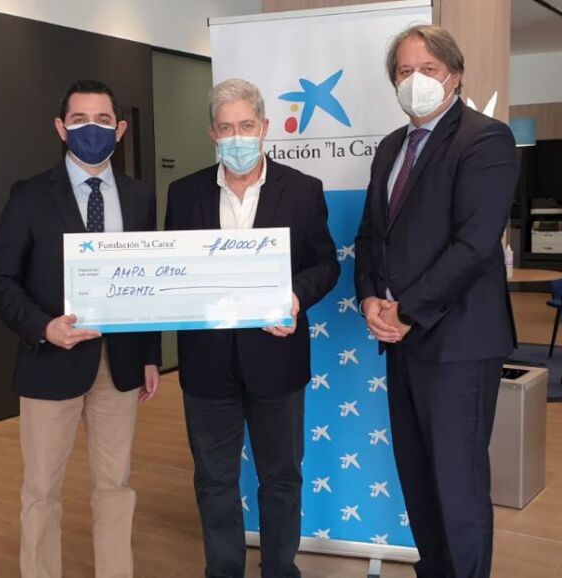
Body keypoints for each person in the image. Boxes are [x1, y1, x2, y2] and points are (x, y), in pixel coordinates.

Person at [353, 25, 519, 578]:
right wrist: (370, 298)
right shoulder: (390, 148)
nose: (415, 80)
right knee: (419, 479)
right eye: (404, 71)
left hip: (459, 343)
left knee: (458, 484)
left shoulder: (485, 139)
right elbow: (371, 235)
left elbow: (474, 246)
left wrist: (406, 310)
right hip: (400, 341)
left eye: (428, 69)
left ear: (455, 75)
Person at [0, 79, 161, 578]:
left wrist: (150, 354)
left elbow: (147, 282)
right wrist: (44, 327)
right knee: (42, 491)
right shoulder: (28, 196)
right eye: (80, 119)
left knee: (116, 486)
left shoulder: (140, 197)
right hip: (50, 361)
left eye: (103, 120)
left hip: (120, 364)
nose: (92, 129)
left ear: (119, 130)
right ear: (61, 128)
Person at [164, 78, 339, 578]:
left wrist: (294, 296)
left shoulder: (303, 190)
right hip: (206, 363)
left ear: (264, 127)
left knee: (280, 478)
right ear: (212, 134)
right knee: (214, 480)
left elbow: (325, 264)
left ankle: (280, 569)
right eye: (226, 128)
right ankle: (223, 570)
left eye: (245, 125)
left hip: (277, 360)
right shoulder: (184, 193)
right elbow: (172, 271)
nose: (236, 136)